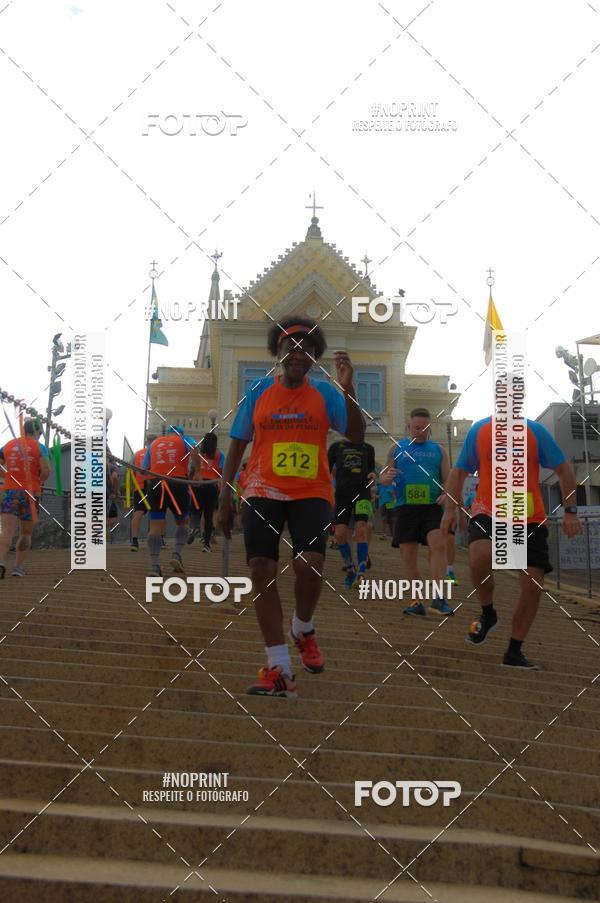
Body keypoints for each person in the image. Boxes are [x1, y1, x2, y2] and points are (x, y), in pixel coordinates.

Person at [217, 315, 365, 698]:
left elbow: (355, 434)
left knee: (310, 565)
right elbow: (236, 444)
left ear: (314, 358)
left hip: (312, 491)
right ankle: (280, 668)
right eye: (291, 348)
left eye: (308, 350)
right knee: (261, 568)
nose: (299, 355)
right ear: (278, 353)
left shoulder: (326, 394)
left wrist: (348, 390)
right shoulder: (259, 391)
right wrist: (224, 495)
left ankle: (303, 627)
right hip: (262, 489)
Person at [441, 416, 583, 669]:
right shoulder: (480, 430)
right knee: (478, 557)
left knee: (532, 584)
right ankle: (488, 613)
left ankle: (514, 652)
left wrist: (570, 511)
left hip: (528, 516)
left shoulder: (535, 431)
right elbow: (459, 470)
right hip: (488, 510)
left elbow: (564, 469)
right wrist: (450, 510)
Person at [383, 408, 454, 617]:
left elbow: (447, 478)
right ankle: (416, 602)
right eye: (416, 427)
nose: (420, 431)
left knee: (438, 545)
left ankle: (439, 598)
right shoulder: (396, 448)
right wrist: (387, 478)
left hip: (432, 506)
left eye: (424, 427)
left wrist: (446, 494)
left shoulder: (439, 450)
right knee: (409, 555)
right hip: (405, 507)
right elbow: (384, 477)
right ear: (409, 427)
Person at [143, 426, 200, 577]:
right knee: (183, 521)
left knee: (155, 526)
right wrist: (197, 472)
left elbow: (144, 468)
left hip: (155, 483)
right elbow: (195, 449)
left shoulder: (154, 443)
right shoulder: (183, 439)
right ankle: (176, 554)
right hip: (177, 481)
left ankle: (155, 566)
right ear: (180, 433)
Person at [0, 417, 49, 578]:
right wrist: (36, 479)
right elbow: (46, 472)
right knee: (25, 532)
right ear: (38, 431)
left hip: (9, 491)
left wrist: (8, 475)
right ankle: (18, 568)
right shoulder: (40, 447)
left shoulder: (8, 445)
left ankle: (0, 561)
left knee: (6, 530)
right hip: (30, 492)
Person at [328, 438, 376, 587]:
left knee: (361, 528)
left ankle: (361, 573)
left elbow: (372, 470)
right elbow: (326, 470)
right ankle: (350, 568)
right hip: (342, 496)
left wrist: (373, 475)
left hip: (363, 495)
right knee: (340, 534)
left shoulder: (368, 447)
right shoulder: (336, 446)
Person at [188, 432, 224, 552]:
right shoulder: (219, 455)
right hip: (211, 485)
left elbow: (192, 469)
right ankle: (207, 545)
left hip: (197, 484)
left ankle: (195, 526)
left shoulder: (198, 455)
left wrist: (190, 481)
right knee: (208, 515)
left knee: (195, 509)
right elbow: (222, 472)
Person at [130, 436, 155, 552]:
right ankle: (158, 539)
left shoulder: (137, 454)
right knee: (157, 512)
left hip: (139, 486)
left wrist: (132, 486)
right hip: (153, 484)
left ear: (146, 442)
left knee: (138, 512)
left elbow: (132, 471)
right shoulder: (156, 452)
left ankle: (134, 540)